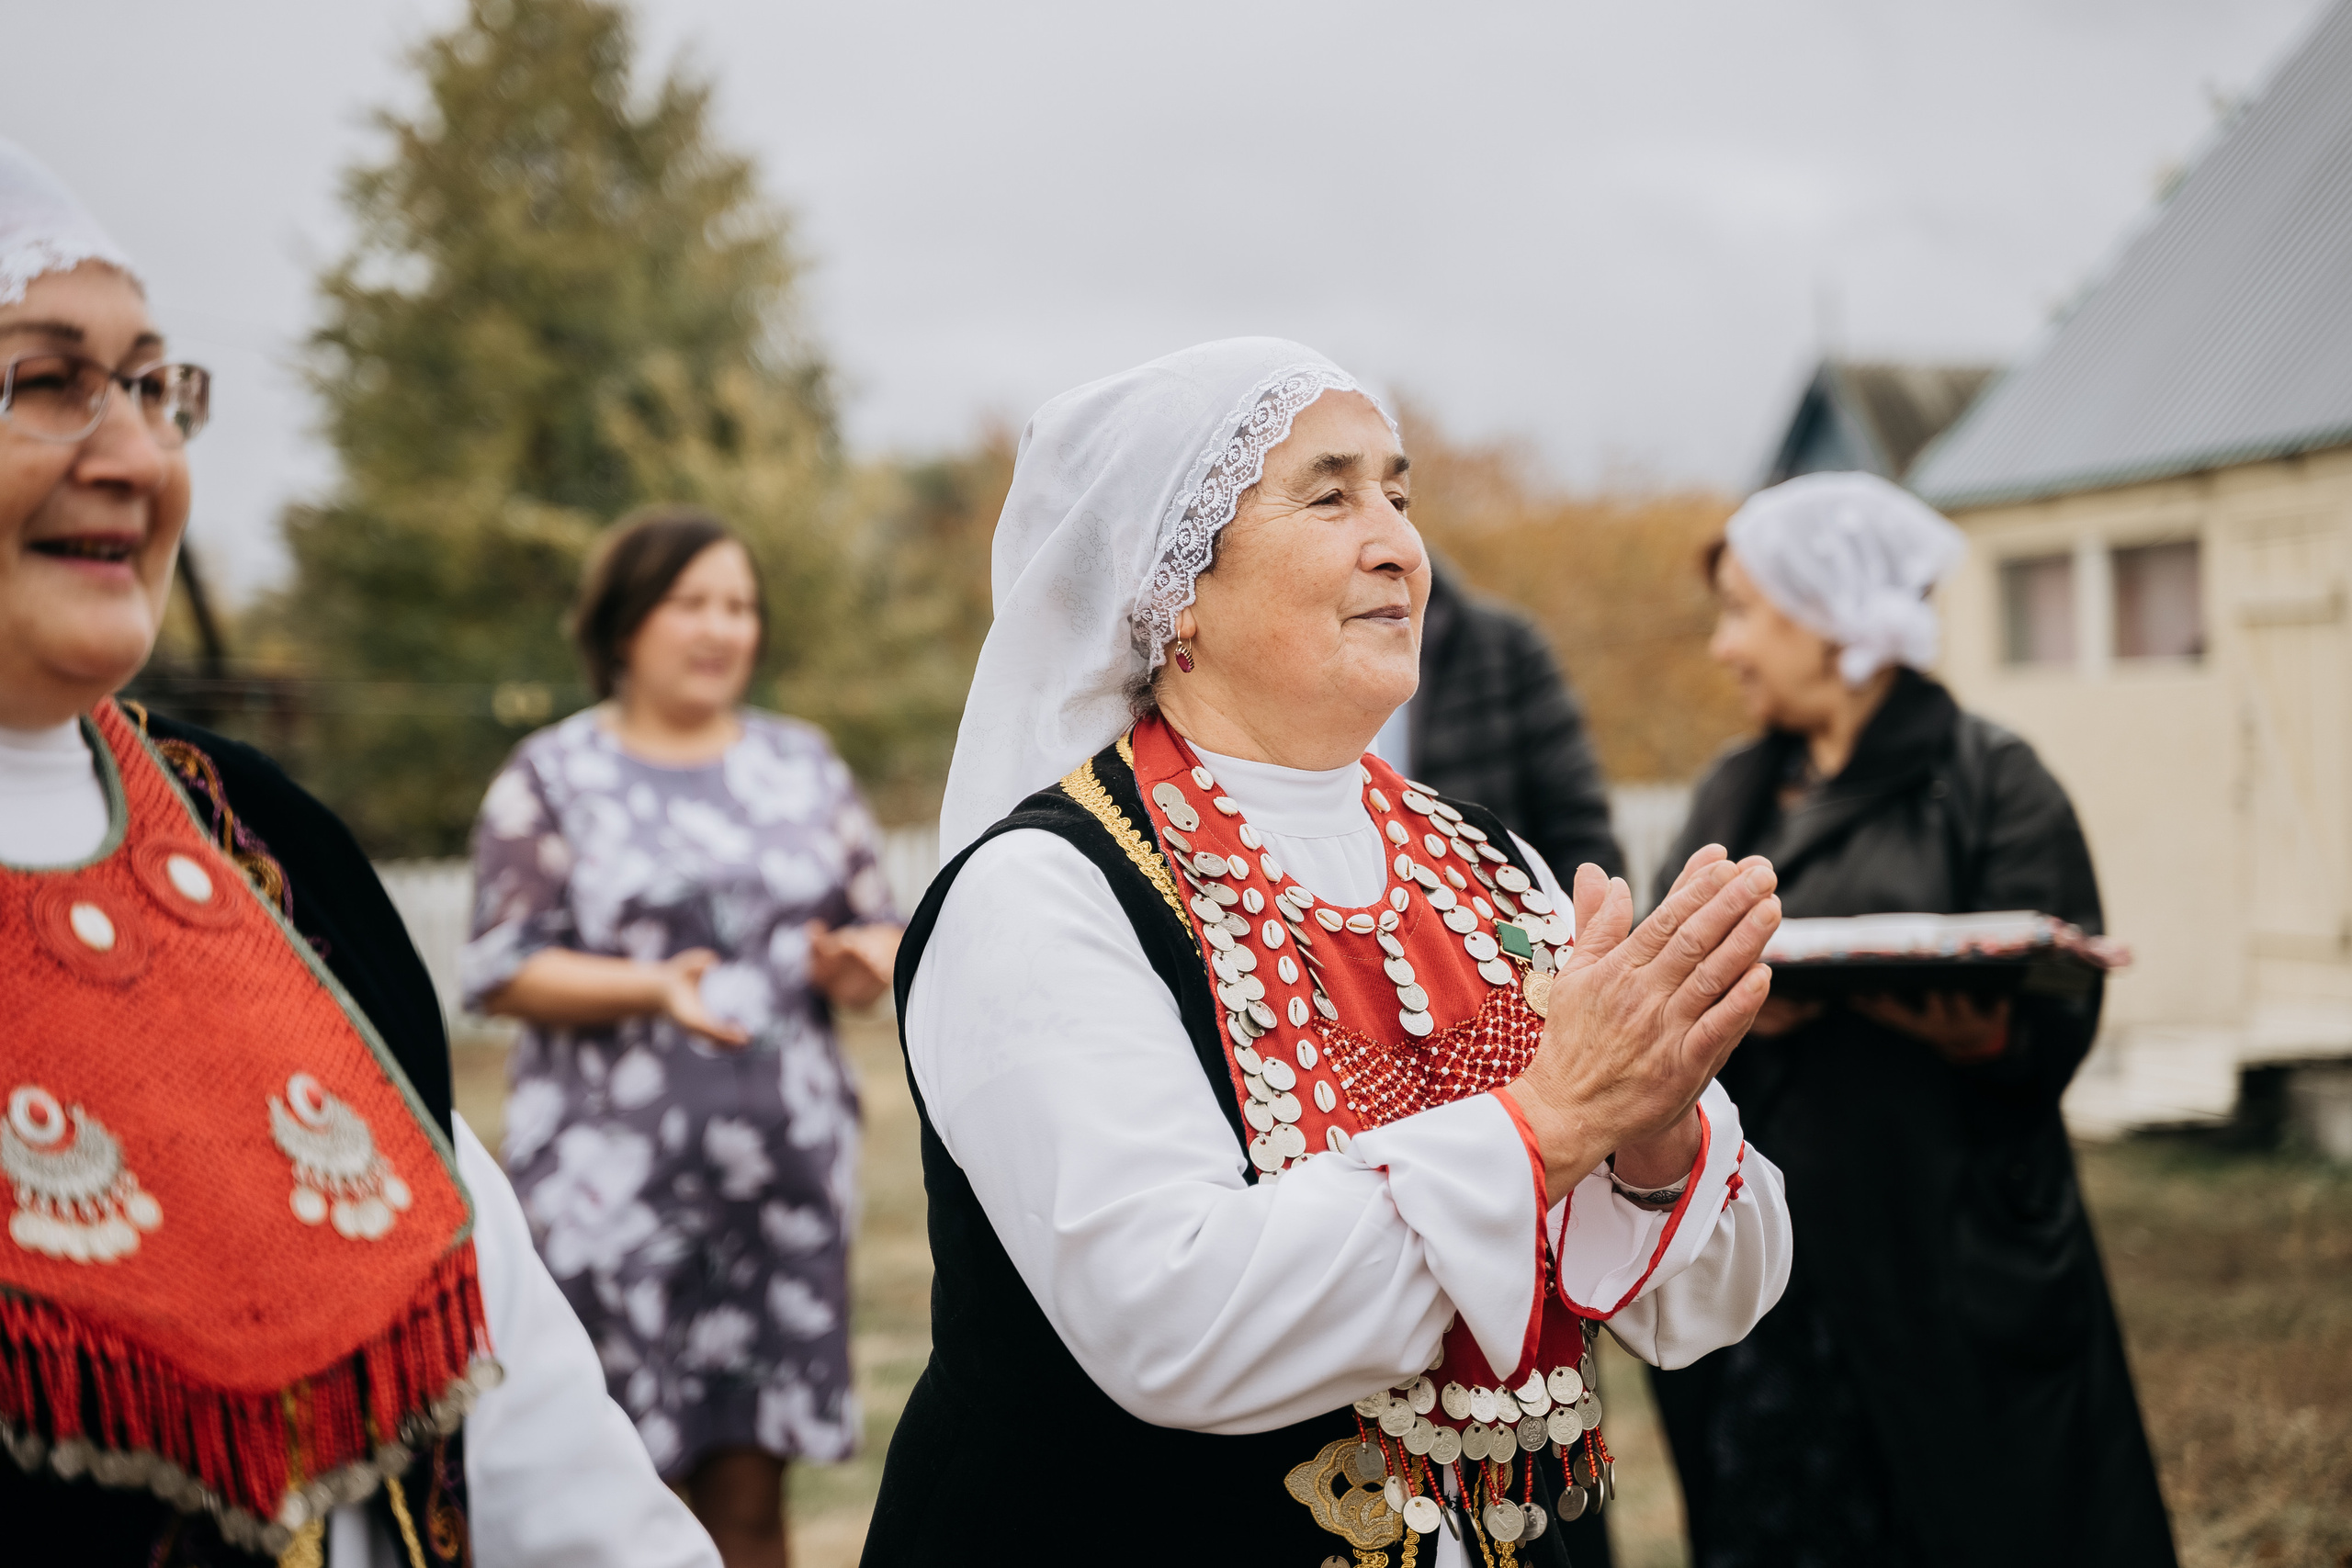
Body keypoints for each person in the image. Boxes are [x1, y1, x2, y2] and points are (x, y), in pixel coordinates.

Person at [864, 338, 1794, 1567]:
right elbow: (1175, 1316)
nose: (1399, 541)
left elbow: (1715, 1296)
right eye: (1330, 493)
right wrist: (1555, 1118)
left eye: (1400, 496)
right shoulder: (1041, 890)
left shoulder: (1488, 868)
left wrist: (1655, 1121)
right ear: (1174, 584)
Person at [0, 139, 718, 1565]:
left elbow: (515, 1393)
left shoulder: (262, 843)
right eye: (44, 379)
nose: (137, 454)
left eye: (153, 385)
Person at [1649, 471, 2174, 1568]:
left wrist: (1976, 1032)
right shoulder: (1732, 794)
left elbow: (2058, 1001)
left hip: (1951, 1261)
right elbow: (1662, 978)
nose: (1723, 648)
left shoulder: (1994, 782)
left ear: (1828, 611)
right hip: (1778, 1280)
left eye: (1745, 611)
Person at [465, 508, 901, 1568]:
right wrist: (652, 988)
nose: (720, 629)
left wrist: (863, 961)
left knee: (754, 1496)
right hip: (610, 1196)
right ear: (623, 625)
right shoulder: (552, 774)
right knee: (617, 1501)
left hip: (784, 1194)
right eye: (691, 604)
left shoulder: (804, 764)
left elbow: (881, 923)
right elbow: (502, 966)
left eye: (740, 607)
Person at [1374, 558, 1623, 882]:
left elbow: (1578, 828)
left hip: (1502, 920)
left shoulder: (1504, 647)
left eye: (1399, 505)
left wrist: (1579, 926)